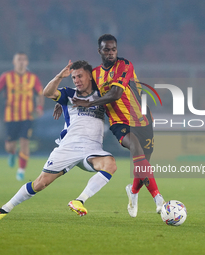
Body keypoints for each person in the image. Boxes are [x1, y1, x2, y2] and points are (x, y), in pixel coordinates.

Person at [0, 60, 117, 219]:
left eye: (80, 76)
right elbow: (48, 93)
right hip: (68, 148)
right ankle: (5, 208)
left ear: (90, 77)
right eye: (73, 77)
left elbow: (118, 95)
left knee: (110, 164)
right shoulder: (69, 94)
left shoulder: (102, 95)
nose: (76, 80)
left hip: (92, 150)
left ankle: (79, 201)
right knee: (40, 183)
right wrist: (59, 76)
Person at [72, 34, 165, 217]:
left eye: (114, 49)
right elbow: (81, 90)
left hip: (143, 119)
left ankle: (133, 191)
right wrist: (61, 101)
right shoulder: (95, 74)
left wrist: (90, 104)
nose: (111, 53)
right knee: (136, 149)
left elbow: (115, 94)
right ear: (100, 51)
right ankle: (158, 198)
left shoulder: (125, 65)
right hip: (118, 122)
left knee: (143, 165)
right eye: (107, 49)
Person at [0, 52, 44, 181]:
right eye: (19, 59)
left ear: (27, 62)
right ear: (14, 62)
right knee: (10, 146)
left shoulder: (33, 78)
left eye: (23, 59)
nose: (21, 62)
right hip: (10, 116)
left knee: (25, 142)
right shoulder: (6, 76)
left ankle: (21, 171)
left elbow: (40, 94)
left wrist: (39, 107)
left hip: (27, 116)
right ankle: (12, 153)